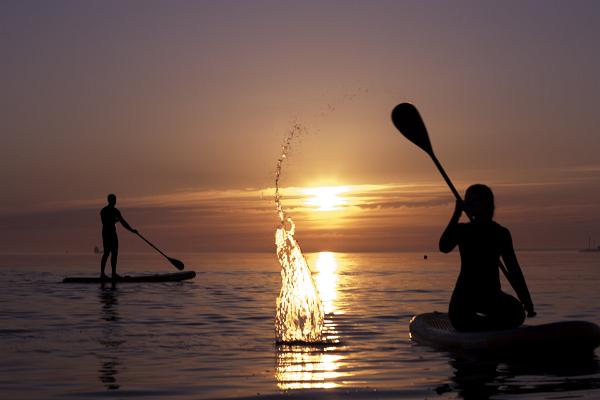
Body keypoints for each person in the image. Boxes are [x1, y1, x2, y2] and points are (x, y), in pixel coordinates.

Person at [439, 184, 535, 331]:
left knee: (518, 313)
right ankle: (486, 326)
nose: (468, 204)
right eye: (467, 201)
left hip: (491, 298)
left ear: (486, 203)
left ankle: (486, 326)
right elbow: (443, 247)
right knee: (461, 318)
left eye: (473, 201)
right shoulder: (463, 230)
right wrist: (456, 213)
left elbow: (514, 269)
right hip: (464, 301)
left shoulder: (500, 233)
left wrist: (526, 299)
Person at [100, 194, 137, 280]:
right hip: (106, 234)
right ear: (109, 200)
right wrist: (115, 220)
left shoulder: (116, 211)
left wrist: (132, 230)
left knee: (115, 253)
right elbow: (105, 222)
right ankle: (102, 274)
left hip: (113, 234)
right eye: (113, 200)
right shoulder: (104, 211)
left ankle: (113, 274)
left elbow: (123, 222)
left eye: (115, 200)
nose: (115, 201)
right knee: (106, 253)